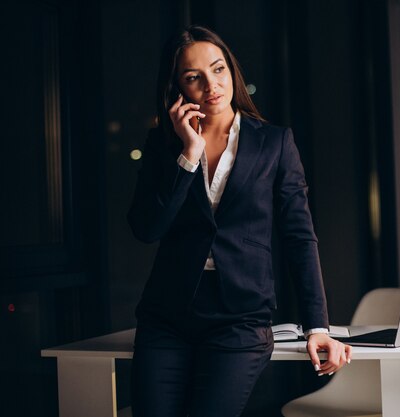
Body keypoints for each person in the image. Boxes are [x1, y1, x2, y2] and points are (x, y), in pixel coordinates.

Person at [127, 25, 352, 417]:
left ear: (231, 70)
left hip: (240, 320)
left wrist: (318, 326)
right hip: (167, 317)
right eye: (193, 77)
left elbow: (300, 237)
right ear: (178, 88)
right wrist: (188, 155)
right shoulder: (164, 144)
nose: (211, 85)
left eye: (218, 69)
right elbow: (147, 229)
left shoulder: (275, 144)